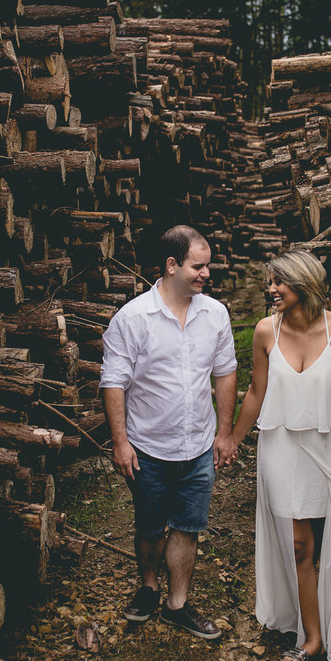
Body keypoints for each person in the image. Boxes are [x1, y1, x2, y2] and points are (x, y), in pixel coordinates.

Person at [229, 248, 331, 661]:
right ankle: (312, 637)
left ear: (304, 283)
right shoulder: (265, 331)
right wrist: (232, 439)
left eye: (278, 281)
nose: (270, 289)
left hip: (328, 449)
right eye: (269, 282)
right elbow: (256, 392)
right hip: (280, 446)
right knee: (298, 543)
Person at [99, 225, 239, 640]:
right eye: (198, 266)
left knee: (188, 526)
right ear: (172, 265)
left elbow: (225, 373)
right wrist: (121, 443)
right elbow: (113, 383)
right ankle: (149, 586)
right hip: (149, 447)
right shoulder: (132, 318)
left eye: (208, 266)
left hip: (198, 446)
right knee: (149, 526)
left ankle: (177, 604)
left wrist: (225, 433)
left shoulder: (215, 314)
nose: (206, 274)